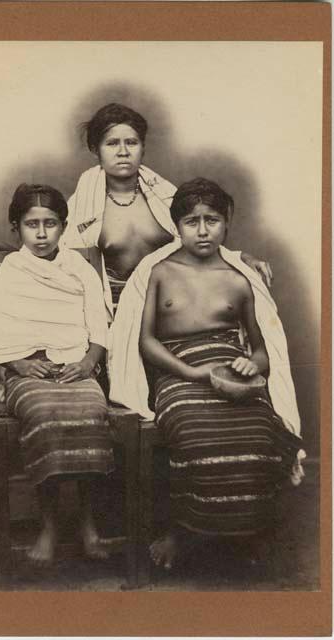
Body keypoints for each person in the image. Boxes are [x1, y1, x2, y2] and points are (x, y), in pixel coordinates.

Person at [113, 177, 304, 570]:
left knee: (260, 428)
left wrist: (252, 365)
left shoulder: (238, 279)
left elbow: (261, 349)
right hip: (177, 372)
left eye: (212, 220)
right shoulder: (159, 272)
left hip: (231, 371)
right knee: (192, 426)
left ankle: (248, 531)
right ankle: (183, 532)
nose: (202, 230)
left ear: (226, 223)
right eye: (191, 222)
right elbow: (145, 341)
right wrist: (192, 373)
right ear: (176, 226)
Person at [0, 103, 272, 319]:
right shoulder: (85, 203)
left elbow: (203, 238)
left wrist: (244, 258)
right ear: (96, 149)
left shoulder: (166, 197)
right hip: (112, 312)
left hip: (172, 306)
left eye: (132, 142)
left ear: (142, 147)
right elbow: (48, 249)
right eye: (112, 143)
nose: (123, 151)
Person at [0, 183, 114, 566]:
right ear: (17, 227)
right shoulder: (11, 271)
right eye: (31, 224)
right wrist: (19, 363)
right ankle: (49, 524)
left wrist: (88, 362)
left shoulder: (78, 268)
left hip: (75, 369)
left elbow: (98, 327)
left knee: (91, 412)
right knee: (46, 415)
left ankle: (86, 522)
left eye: (50, 224)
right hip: (27, 372)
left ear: (63, 227)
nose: (41, 233)